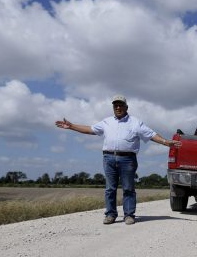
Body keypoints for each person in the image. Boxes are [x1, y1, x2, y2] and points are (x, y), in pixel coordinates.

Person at [55, 95, 180, 225]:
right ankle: (110, 214)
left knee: (128, 188)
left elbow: (152, 135)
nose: (118, 107)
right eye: (116, 105)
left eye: (120, 105)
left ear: (126, 107)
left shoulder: (135, 122)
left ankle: (129, 215)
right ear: (113, 107)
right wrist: (71, 126)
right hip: (108, 158)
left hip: (128, 159)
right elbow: (90, 129)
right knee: (110, 189)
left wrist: (166, 142)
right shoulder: (107, 122)